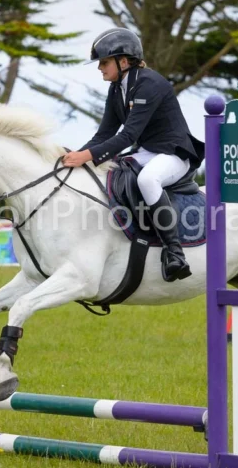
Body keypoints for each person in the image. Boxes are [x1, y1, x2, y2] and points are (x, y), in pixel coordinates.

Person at [62, 27, 205, 282]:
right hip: (147, 152)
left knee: (147, 180)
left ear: (123, 61)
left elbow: (127, 135)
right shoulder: (117, 88)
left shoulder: (149, 84)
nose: (100, 69)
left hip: (174, 154)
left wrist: (86, 157)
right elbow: (104, 135)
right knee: (112, 172)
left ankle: (175, 253)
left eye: (104, 62)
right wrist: (77, 156)